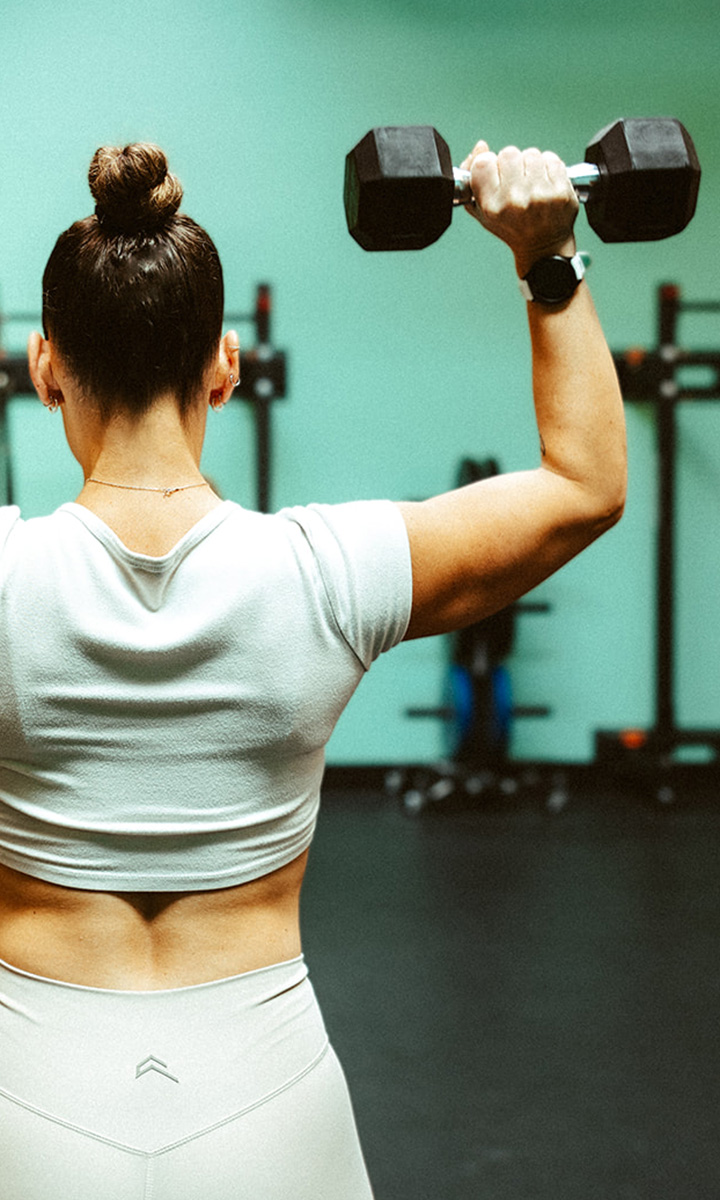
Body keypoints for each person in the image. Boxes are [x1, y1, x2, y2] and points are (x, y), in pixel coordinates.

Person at [0, 138, 625, 1199]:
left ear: (45, 368)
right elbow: (584, 485)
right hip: (267, 1095)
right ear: (226, 366)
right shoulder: (326, 574)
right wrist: (548, 253)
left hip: (28, 1088)